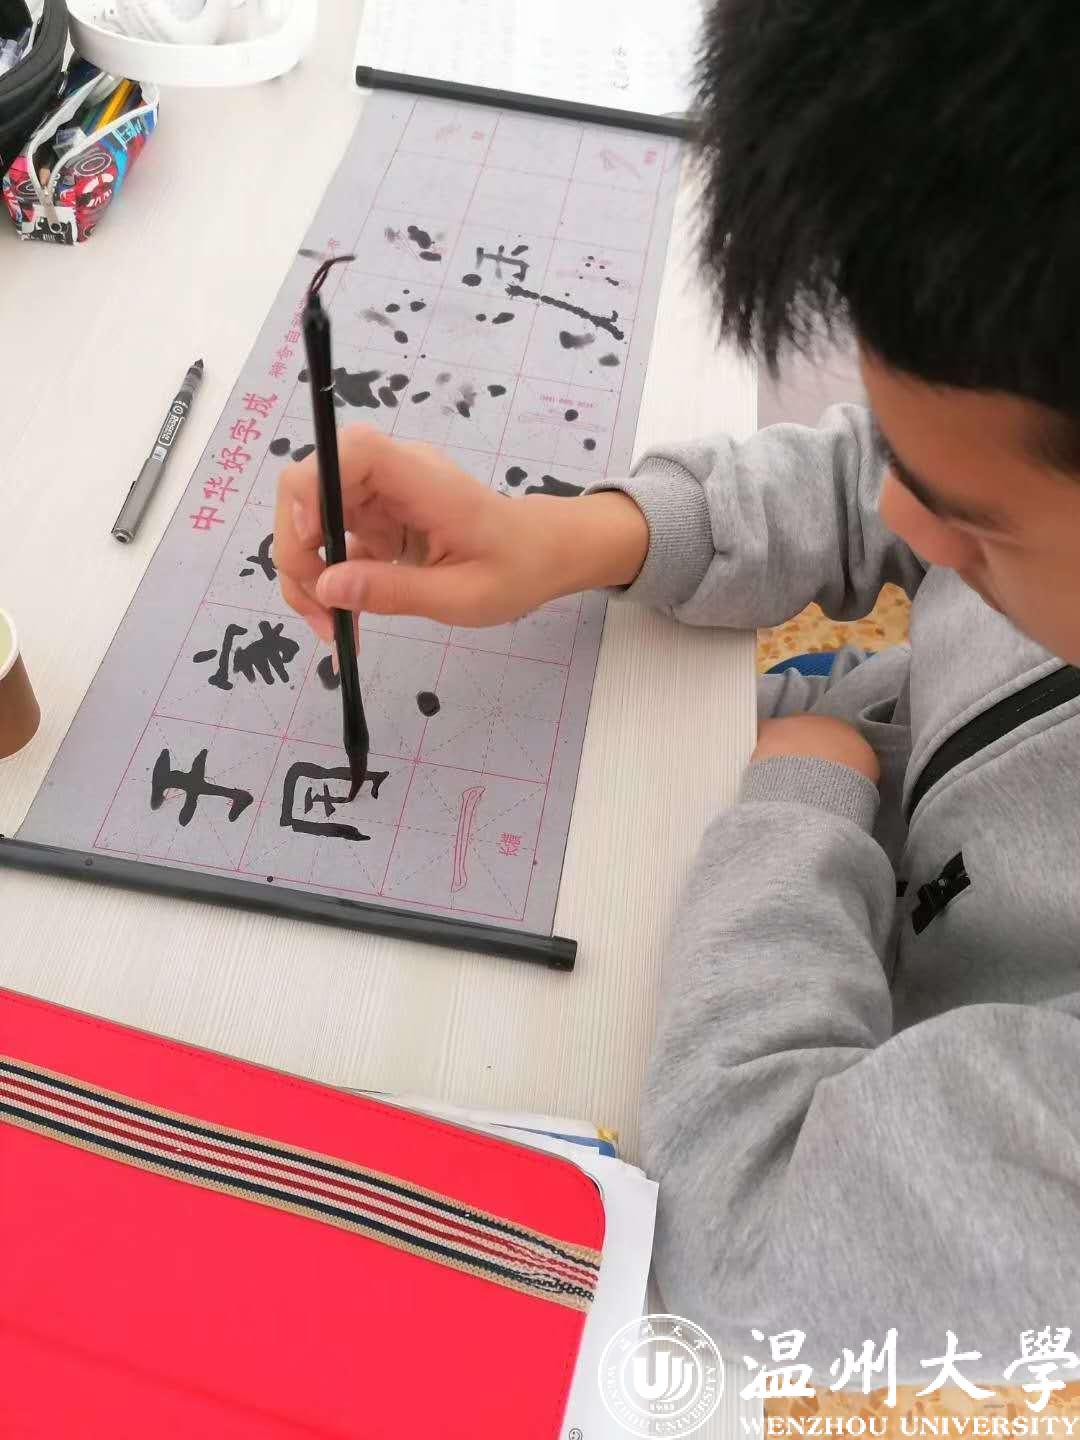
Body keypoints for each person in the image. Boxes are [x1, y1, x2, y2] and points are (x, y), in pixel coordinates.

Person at [275, 0, 1080, 1383]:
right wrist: (584, 535)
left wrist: (810, 788)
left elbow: (747, 1246)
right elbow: (906, 474)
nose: (904, 523)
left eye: (978, 530)